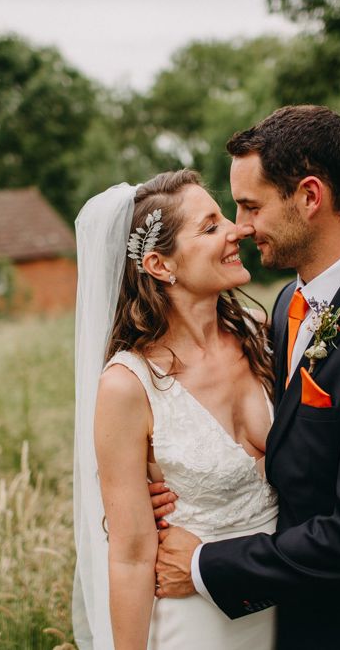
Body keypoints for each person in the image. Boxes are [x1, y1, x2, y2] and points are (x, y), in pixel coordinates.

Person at [153, 105, 340, 649]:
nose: (240, 228)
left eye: (251, 207)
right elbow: (287, 448)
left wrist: (204, 565)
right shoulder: (287, 303)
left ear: (310, 197)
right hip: (290, 623)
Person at [73, 169, 279, 649]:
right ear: (160, 265)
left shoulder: (262, 334)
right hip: (199, 621)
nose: (236, 230)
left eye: (225, 217)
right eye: (210, 227)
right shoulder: (129, 386)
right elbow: (129, 555)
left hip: (285, 598)